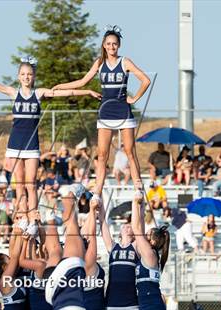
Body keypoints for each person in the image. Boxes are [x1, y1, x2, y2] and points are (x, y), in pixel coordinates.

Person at [0, 56, 99, 237]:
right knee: (20, 184)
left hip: (32, 145)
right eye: (23, 74)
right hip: (15, 144)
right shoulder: (13, 92)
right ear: (18, 76)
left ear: (34, 76)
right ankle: (23, 216)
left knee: (31, 184)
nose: (26, 77)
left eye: (29, 74)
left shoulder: (38, 93)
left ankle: (33, 219)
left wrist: (86, 91)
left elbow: (66, 93)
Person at [53, 25, 150, 203]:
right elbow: (83, 81)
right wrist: (61, 86)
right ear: (104, 45)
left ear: (118, 45)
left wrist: (134, 98)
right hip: (105, 112)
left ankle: (138, 187)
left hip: (123, 111)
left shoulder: (125, 62)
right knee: (102, 154)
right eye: (109, 44)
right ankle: (98, 189)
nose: (112, 47)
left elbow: (145, 80)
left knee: (129, 150)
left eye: (115, 44)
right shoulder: (99, 63)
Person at [97, 194, 140, 309]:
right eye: (124, 226)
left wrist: (136, 203)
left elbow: (138, 225)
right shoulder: (113, 247)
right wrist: (100, 205)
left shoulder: (136, 247)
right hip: (112, 302)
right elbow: (102, 223)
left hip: (131, 303)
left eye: (130, 226)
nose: (127, 226)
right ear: (120, 232)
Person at [131, 191, 169, 310]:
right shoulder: (150, 253)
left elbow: (136, 228)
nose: (144, 237)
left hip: (151, 304)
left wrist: (134, 201)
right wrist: (141, 206)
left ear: (153, 242)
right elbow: (140, 228)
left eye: (147, 236)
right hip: (149, 302)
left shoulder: (150, 254)